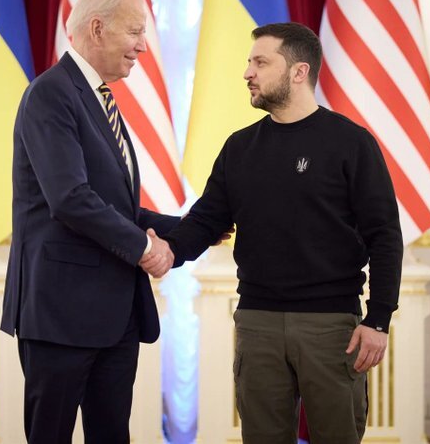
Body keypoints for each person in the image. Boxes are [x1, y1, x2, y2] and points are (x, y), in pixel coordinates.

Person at [162, 22, 403, 444]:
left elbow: (385, 236)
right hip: (257, 323)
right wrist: (162, 250)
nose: (247, 73)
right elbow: (205, 221)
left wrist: (378, 319)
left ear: (298, 71)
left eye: (260, 62)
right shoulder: (239, 148)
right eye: (249, 62)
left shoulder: (351, 143)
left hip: (332, 326)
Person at [0, 0, 178, 444]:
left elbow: (116, 207)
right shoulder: (50, 93)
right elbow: (70, 198)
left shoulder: (98, 97)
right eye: (135, 32)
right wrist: (145, 249)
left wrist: (197, 227)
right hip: (60, 314)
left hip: (114, 317)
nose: (143, 46)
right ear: (97, 28)